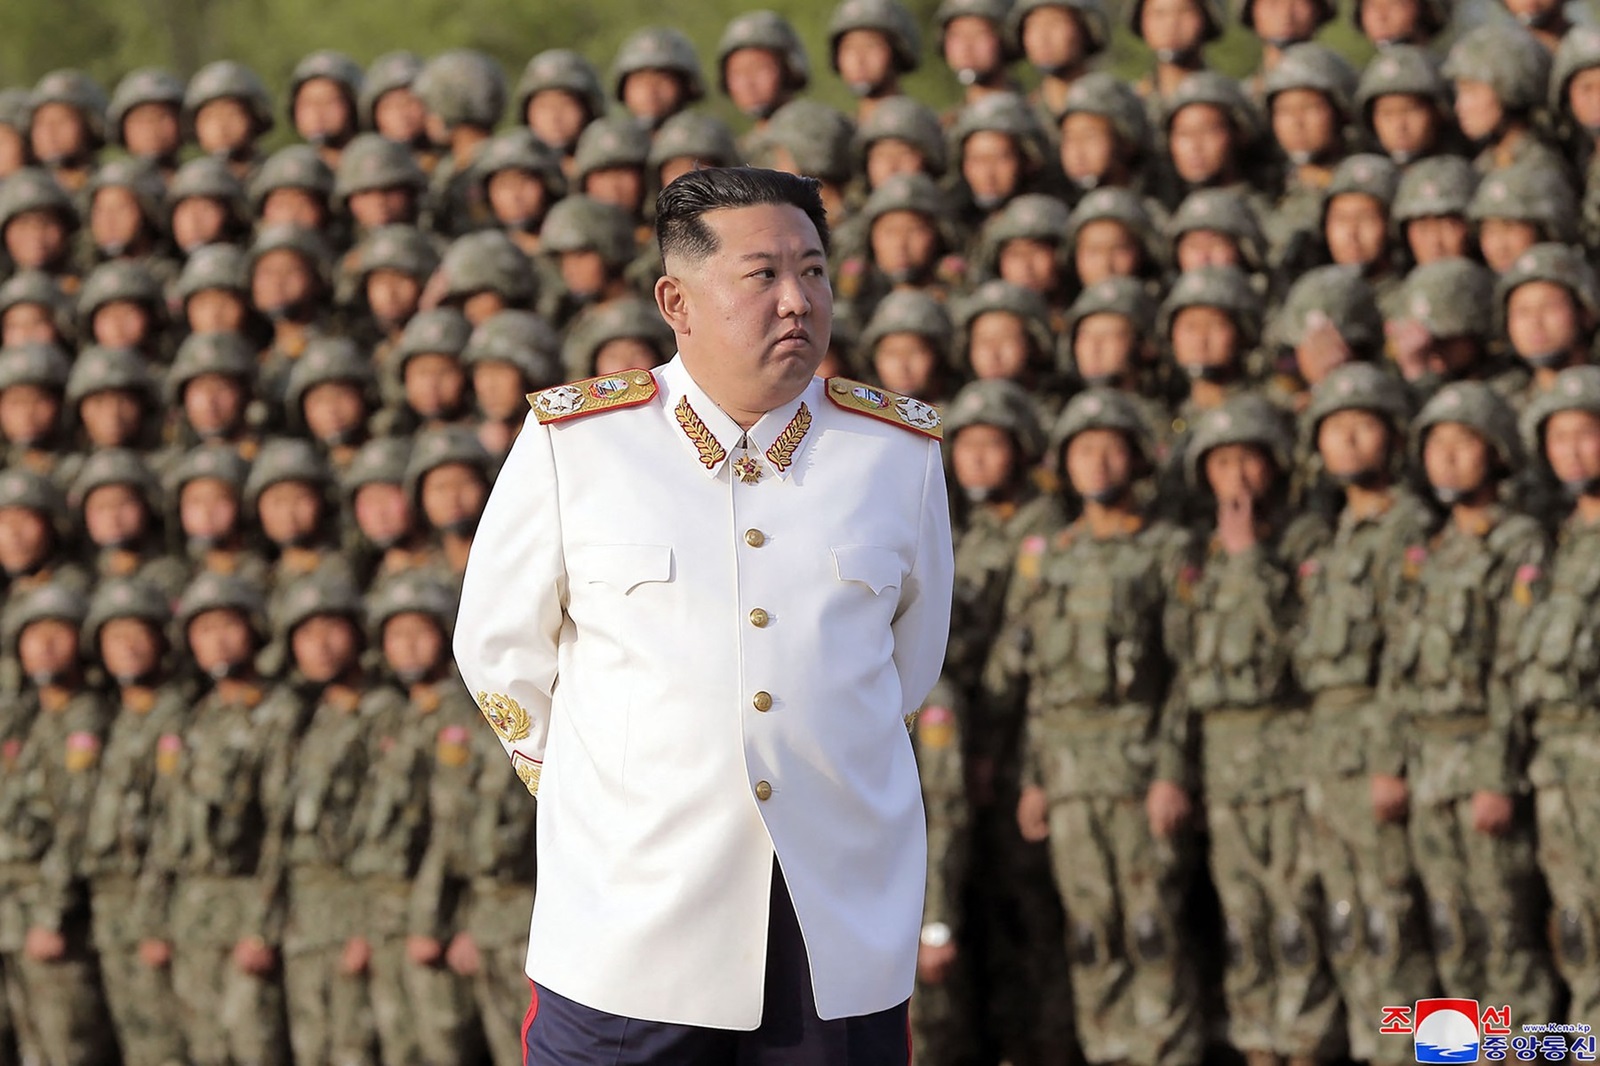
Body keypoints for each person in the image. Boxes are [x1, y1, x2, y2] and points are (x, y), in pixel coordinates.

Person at [454, 166, 954, 1063]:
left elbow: (906, 667)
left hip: (830, 927)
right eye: (763, 276)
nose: (798, 301)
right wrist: (604, 786)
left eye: (813, 270)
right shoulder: (580, 444)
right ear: (676, 301)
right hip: (630, 918)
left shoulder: (893, 453)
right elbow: (498, 648)